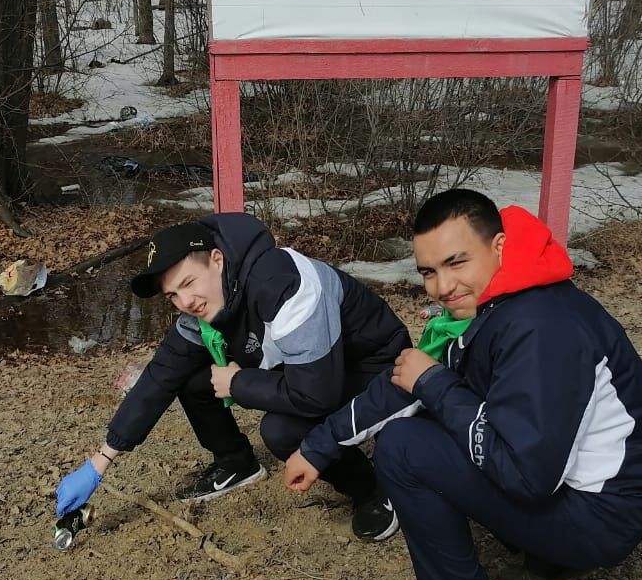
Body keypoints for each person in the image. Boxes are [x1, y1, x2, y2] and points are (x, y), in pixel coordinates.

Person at [284, 190, 642, 580]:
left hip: (605, 515)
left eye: (456, 262)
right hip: (591, 492)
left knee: (405, 447)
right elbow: (403, 386)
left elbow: (525, 474)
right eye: (428, 271)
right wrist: (319, 446)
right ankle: (550, 556)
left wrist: (435, 383)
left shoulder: (540, 326)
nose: (442, 286)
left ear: (501, 247)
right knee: (431, 414)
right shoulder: (498, 305)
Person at [54, 213, 409, 541]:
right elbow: (162, 375)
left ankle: (371, 490)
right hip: (312, 367)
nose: (186, 302)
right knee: (192, 378)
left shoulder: (283, 285)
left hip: (374, 366)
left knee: (282, 431)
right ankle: (236, 464)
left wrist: (238, 384)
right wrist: (99, 462)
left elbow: (317, 394)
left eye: (189, 283)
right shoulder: (207, 301)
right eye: (172, 295)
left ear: (217, 259)